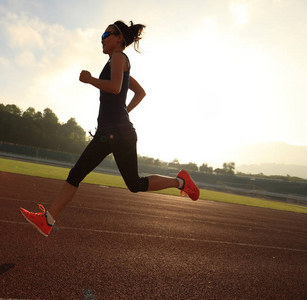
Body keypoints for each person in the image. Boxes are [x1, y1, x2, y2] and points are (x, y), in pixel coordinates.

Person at [20, 21, 199, 237]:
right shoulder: (117, 63)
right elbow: (139, 92)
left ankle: (180, 181)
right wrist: (124, 111)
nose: (102, 38)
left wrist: (90, 80)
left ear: (119, 38)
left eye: (106, 33)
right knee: (79, 174)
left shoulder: (119, 58)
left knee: (133, 183)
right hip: (108, 133)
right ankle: (48, 220)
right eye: (102, 35)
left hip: (120, 133)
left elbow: (115, 88)